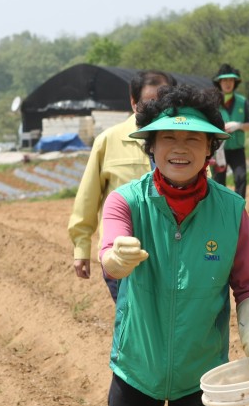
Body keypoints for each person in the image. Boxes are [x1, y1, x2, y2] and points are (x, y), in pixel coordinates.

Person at [99, 84, 249, 406]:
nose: (180, 149)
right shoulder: (127, 202)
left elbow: (248, 283)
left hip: (201, 374)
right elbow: (110, 248)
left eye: (193, 139)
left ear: (211, 148)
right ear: (150, 146)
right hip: (138, 366)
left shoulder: (231, 211)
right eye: (168, 139)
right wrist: (114, 258)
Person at [68, 70, 176, 301]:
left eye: (163, 103)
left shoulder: (183, 141)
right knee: (131, 325)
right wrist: (81, 248)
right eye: (148, 104)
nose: (155, 111)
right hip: (123, 258)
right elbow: (89, 196)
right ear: (133, 102)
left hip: (174, 255)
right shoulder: (109, 141)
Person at [210, 64, 249, 198]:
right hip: (218, 149)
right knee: (218, 181)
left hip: (237, 149)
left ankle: (239, 210)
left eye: (231, 80)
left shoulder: (242, 101)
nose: (228, 83)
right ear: (219, 82)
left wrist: (238, 125)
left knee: (241, 178)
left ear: (235, 82)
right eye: (224, 80)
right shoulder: (213, 101)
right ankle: (221, 211)